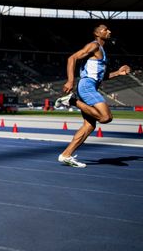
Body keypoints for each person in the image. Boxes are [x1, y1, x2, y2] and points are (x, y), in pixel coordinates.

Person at [54, 24, 131, 168]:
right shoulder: (94, 46)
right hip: (87, 86)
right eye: (105, 30)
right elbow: (72, 58)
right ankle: (71, 101)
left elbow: (101, 76)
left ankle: (66, 155)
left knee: (89, 126)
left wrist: (118, 73)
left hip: (91, 85)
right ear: (96, 33)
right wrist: (70, 80)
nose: (109, 31)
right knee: (106, 117)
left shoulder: (101, 50)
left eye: (109, 29)